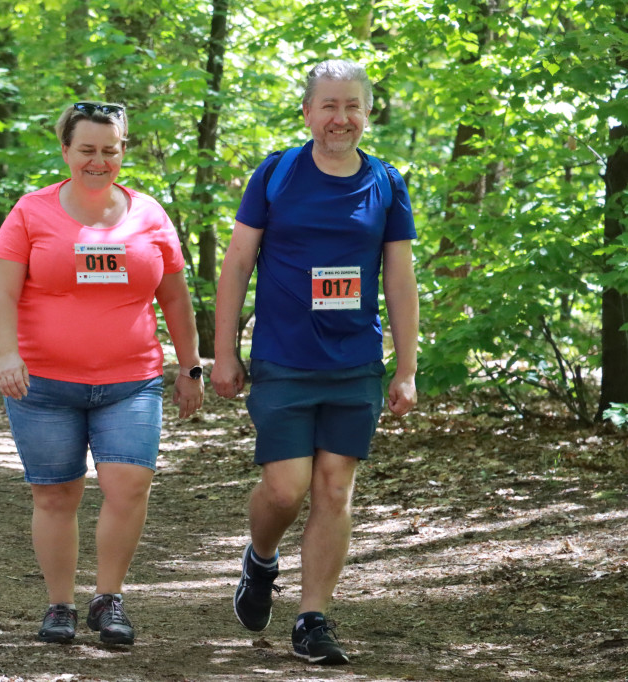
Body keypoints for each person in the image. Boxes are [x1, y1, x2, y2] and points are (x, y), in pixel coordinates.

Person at [211, 60, 419, 665]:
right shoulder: (276, 175)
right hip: (284, 359)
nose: (341, 118)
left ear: (367, 114)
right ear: (307, 113)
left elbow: (400, 280)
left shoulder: (386, 183)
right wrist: (223, 352)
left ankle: (312, 619)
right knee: (285, 487)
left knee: (334, 487)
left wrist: (406, 366)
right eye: (328, 106)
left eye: (352, 106)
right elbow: (237, 264)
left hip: (355, 363)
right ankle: (260, 560)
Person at [0, 101, 204, 646]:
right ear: (66, 151)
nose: (98, 160)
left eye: (110, 150)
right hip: (43, 384)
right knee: (57, 495)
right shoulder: (31, 212)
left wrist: (191, 365)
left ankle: (109, 599)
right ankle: (60, 605)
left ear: (123, 152)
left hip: (130, 380)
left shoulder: (149, 215)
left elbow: (175, 299)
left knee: (129, 484)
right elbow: (3, 289)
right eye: (86, 149)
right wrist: (7, 355)